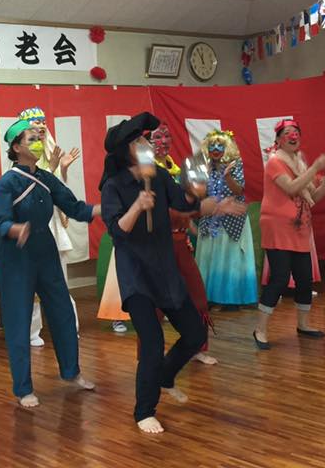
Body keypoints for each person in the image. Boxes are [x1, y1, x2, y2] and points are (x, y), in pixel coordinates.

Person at [100, 113, 248, 434]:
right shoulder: (114, 186)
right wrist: (137, 206)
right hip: (136, 275)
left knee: (195, 334)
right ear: (125, 150)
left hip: (165, 270)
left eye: (145, 138)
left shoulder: (160, 176)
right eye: (139, 140)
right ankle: (144, 411)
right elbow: (117, 231)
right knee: (152, 342)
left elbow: (184, 203)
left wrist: (201, 196)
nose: (146, 144)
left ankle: (166, 376)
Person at [0, 118, 99, 408]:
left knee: (63, 312)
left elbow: (74, 208)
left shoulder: (46, 178)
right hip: (16, 257)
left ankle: (71, 372)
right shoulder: (7, 182)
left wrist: (107, 209)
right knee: (19, 321)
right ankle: (23, 388)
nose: (38, 143)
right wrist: (14, 229)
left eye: (39, 138)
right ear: (16, 147)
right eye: (31, 139)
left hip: (46, 252)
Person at [253, 119, 325, 350]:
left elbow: (314, 197)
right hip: (277, 227)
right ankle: (260, 329)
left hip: (299, 227)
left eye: (296, 132)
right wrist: (315, 168)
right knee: (280, 278)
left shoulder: (299, 164)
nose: (293, 136)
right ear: (278, 139)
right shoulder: (275, 162)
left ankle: (303, 324)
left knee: (304, 278)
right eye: (287, 132)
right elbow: (292, 188)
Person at [148, 123, 216, 365]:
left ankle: (198, 347)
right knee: (155, 306)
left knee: (197, 295)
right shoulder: (146, 175)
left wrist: (192, 220)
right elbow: (166, 212)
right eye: (158, 137)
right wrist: (197, 210)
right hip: (158, 247)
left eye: (167, 136)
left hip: (179, 243)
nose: (164, 141)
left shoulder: (174, 168)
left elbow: (185, 206)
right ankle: (149, 356)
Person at [17, 107, 81, 346]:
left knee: (59, 281)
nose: (41, 128)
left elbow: (59, 191)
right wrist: (53, 167)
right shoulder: (20, 161)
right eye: (35, 124)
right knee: (31, 284)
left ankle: (68, 327)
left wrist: (61, 168)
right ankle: (32, 332)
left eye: (43, 123)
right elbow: (29, 189)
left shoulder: (52, 154)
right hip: (32, 226)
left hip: (53, 224)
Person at [196, 130, 258, 310]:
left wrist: (227, 176)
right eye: (212, 146)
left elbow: (239, 190)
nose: (216, 149)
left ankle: (231, 299)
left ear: (227, 148)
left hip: (232, 220)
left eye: (220, 146)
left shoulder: (234, 164)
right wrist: (205, 176)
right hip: (210, 220)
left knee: (230, 260)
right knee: (209, 258)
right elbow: (198, 194)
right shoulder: (204, 167)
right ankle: (209, 297)